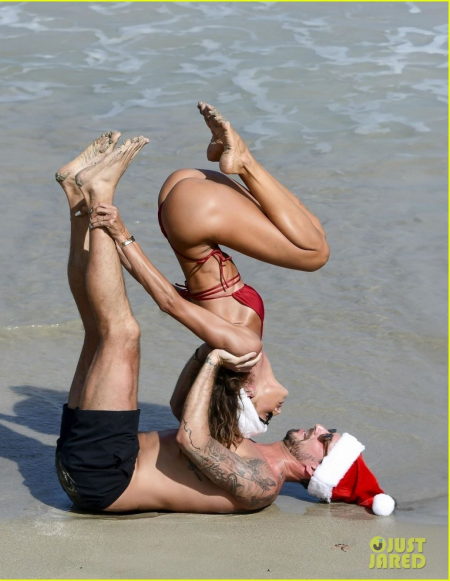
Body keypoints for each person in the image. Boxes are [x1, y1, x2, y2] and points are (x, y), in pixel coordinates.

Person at [54, 137, 395, 516]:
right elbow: (179, 407)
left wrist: (216, 360)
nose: (318, 427)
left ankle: (100, 192)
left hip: (103, 477)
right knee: (97, 333)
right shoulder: (245, 440)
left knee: (122, 334)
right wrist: (207, 353)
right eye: (328, 430)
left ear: (316, 469)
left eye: (326, 440)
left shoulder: (263, 485)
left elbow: (190, 438)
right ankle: (77, 195)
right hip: (92, 460)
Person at [87, 102, 329, 439]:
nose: (277, 412)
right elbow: (176, 406)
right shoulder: (225, 347)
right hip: (188, 209)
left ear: (248, 395)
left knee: (316, 254)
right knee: (310, 230)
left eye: (265, 416)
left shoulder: (242, 349)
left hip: (197, 216)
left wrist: (121, 233)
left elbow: (170, 303)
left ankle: (243, 161)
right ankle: (238, 157)